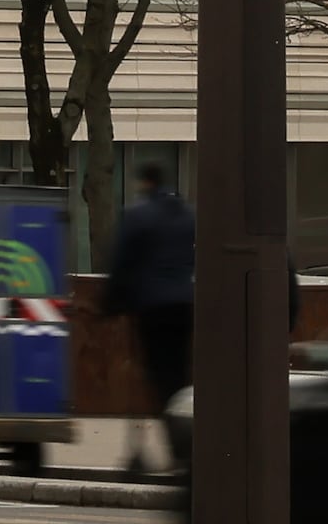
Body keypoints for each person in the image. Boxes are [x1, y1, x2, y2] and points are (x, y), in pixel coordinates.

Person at [106, 164, 198, 471]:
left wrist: (111, 304)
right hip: (184, 305)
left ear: (145, 182)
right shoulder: (187, 216)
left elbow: (121, 264)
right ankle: (184, 446)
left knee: (159, 379)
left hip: (151, 307)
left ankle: (174, 449)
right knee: (178, 376)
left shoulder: (138, 215)